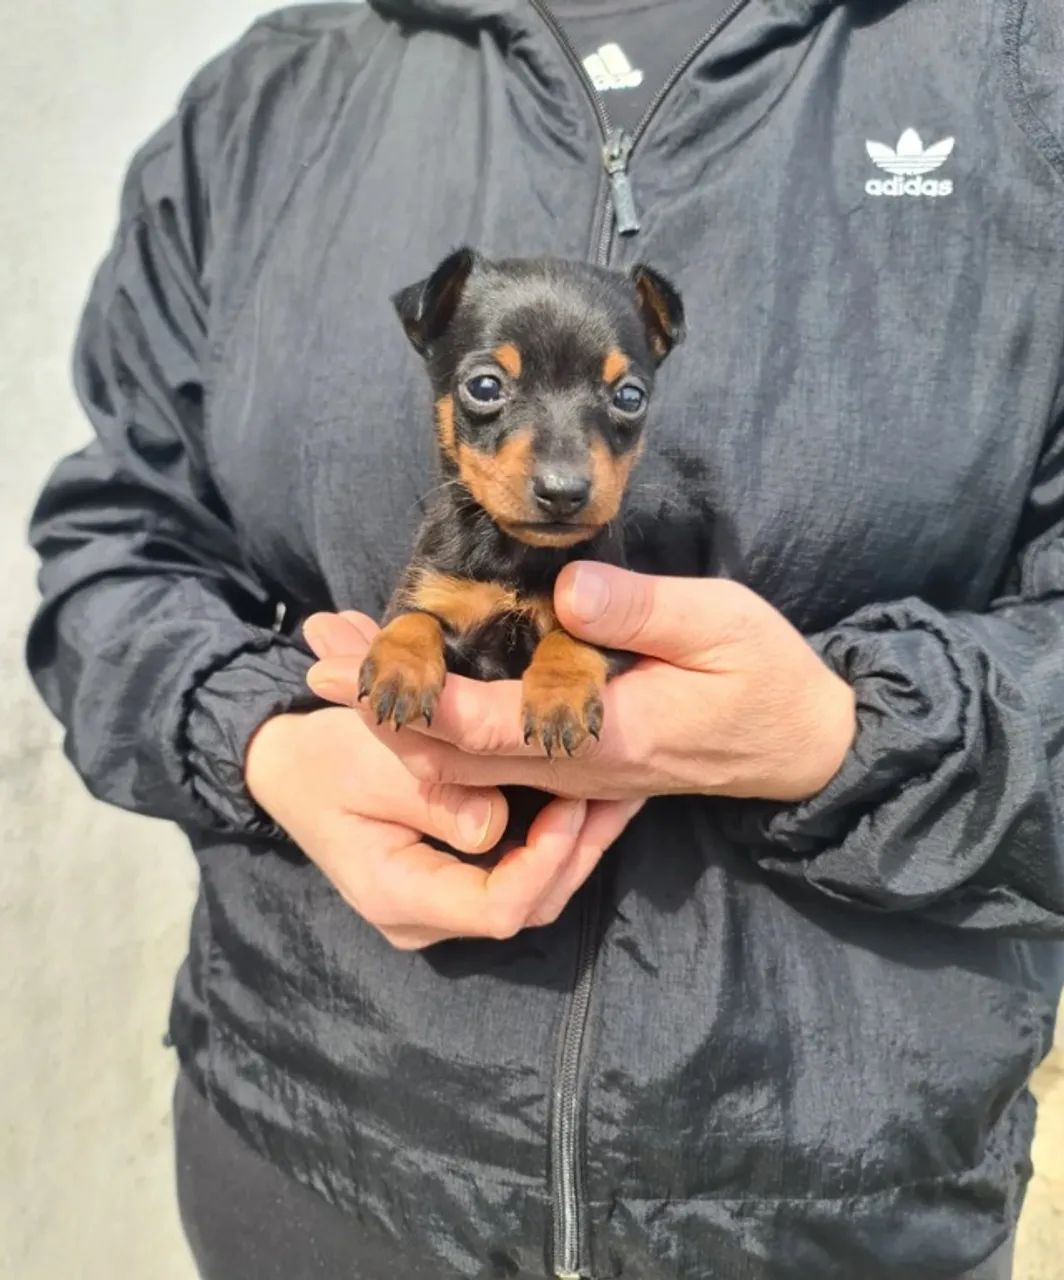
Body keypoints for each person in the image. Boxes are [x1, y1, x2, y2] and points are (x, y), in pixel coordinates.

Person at [25, 1, 1064, 1277]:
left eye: (616, 404)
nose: (562, 464)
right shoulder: (271, 100)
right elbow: (114, 550)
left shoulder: (1021, 63)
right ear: (438, 356)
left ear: (651, 362)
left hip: (829, 1197)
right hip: (313, 1148)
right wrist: (264, 734)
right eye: (490, 394)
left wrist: (854, 739)